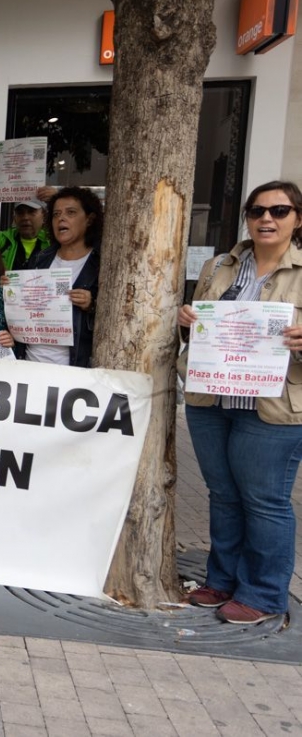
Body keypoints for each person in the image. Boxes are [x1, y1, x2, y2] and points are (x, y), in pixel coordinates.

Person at [177, 181, 302, 624]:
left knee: (265, 501)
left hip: (273, 408)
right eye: (257, 211)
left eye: (280, 211)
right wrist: (188, 320)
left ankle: (265, 595)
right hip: (211, 397)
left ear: (297, 219)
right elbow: (197, 324)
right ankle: (222, 580)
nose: (267, 219)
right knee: (223, 495)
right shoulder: (218, 266)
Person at [18, 187, 102, 367]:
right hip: (31, 362)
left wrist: (92, 304)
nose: (61, 219)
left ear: (89, 219)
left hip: (72, 368)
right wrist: (13, 288)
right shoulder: (40, 258)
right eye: (56, 214)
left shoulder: (101, 264)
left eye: (70, 212)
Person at [0, 187, 54, 270]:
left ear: (44, 216)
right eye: (20, 213)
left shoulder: (53, 242)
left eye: (31, 212)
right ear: (14, 218)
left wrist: (58, 196)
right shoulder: (2, 240)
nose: (25, 217)